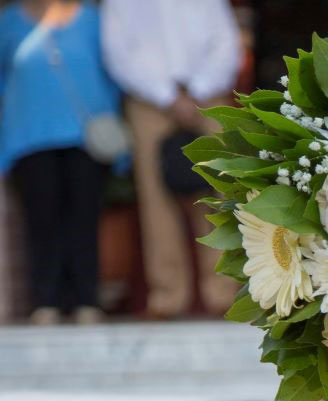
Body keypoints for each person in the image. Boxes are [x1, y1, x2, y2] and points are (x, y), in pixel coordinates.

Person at [101, 0, 240, 318]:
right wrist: (166, 96)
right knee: (155, 197)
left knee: (222, 188)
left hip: (209, 94)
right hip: (149, 100)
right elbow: (118, 53)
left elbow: (225, 41)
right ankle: (167, 295)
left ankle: (225, 292)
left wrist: (199, 89)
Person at [0, 0, 123, 325]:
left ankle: (86, 299)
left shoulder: (92, 20)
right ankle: (46, 300)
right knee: (41, 221)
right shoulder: (9, 22)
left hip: (87, 138)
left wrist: (116, 135)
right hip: (28, 138)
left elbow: (112, 78)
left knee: (85, 218)